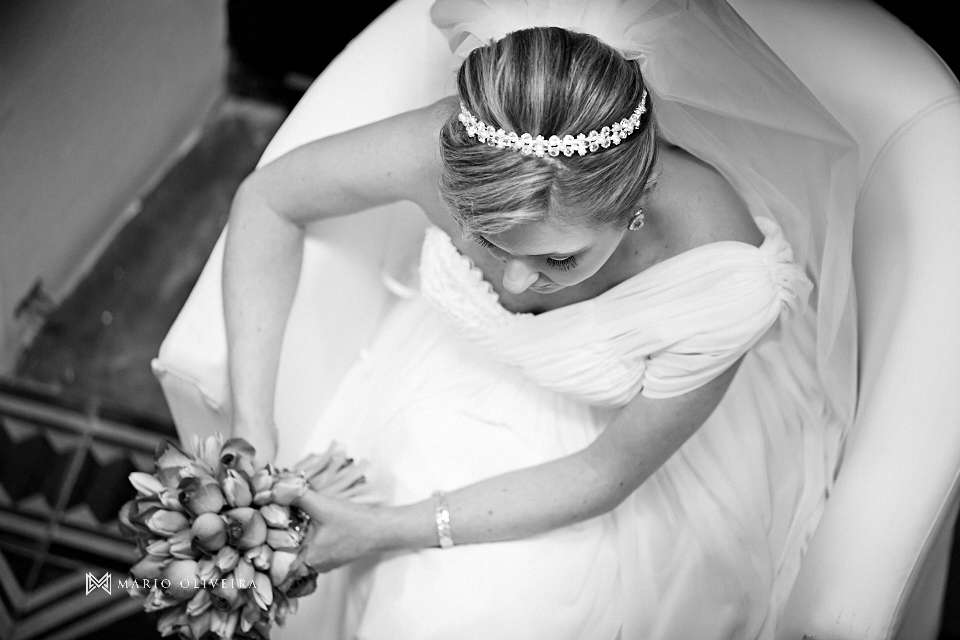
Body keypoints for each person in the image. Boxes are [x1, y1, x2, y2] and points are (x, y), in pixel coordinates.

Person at [222, 0, 859, 638]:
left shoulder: (721, 277)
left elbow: (603, 474)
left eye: (559, 257)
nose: (514, 281)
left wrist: (383, 530)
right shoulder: (444, 151)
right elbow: (267, 200)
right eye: (490, 242)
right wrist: (250, 425)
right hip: (451, 372)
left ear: (636, 201)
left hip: (606, 456)